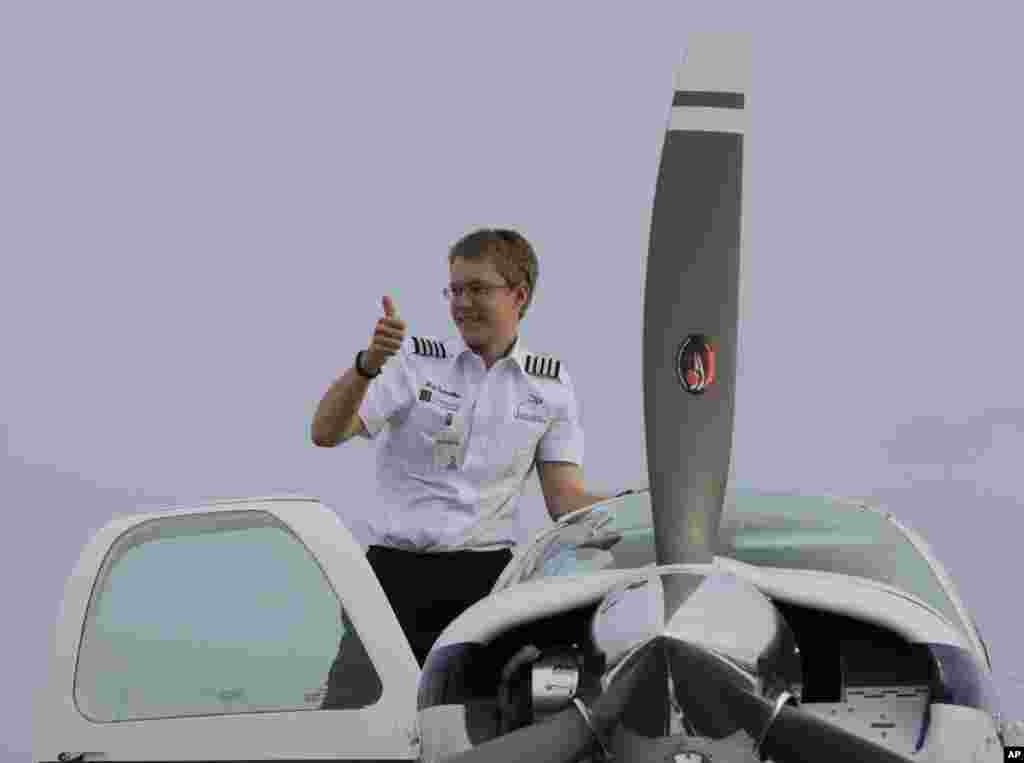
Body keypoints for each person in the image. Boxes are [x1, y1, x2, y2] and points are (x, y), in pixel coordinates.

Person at [311, 227, 608, 667]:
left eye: (477, 289)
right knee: (355, 715)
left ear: (518, 296)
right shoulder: (414, 362)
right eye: (454, 290)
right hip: (396, 575)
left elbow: (565, 500)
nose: (462, 303)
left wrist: (642, 500)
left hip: (485, 582)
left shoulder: (550, 386)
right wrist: (367, 365)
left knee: (482, 724)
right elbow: (326, 432)